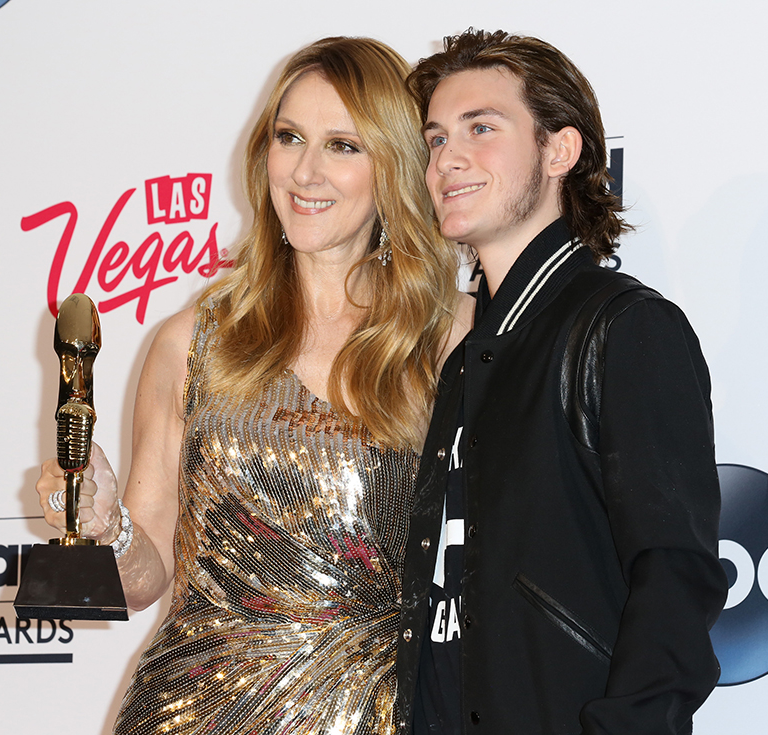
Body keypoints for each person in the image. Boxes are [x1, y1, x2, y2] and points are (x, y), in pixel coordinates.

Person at [36, 37, 470, 735]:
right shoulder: (193, 341)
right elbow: (142, 581)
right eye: (289, 137)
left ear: (394, 166)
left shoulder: (450, 341)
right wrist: (107, 526)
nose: (304, 171)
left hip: (371, 716)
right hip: (188, 711)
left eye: (342, 146)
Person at [395, 29, 728, 735]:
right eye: (435, 138)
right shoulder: (467, 354)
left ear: (559, 150)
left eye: (481, 128)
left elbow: (674, 576)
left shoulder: (625, 328)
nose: (447, 158)